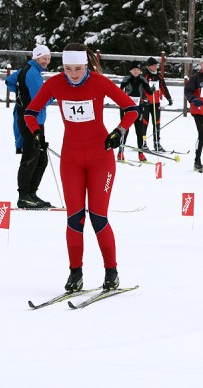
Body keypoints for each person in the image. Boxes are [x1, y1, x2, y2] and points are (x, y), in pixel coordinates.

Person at [23, 43, 139, 292]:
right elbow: (30, 112)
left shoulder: (99, 82)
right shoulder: (54, 84)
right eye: (67, 69)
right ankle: (75, 273)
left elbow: (131, 109)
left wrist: (119, 132)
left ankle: (112, 272)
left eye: (77, 68)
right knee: (74, 219)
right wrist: (36, 134)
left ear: (86, 65)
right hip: (71, 160)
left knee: (98, 217)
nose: (73, 74)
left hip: (101, 159)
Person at [6, 44, 53, 208]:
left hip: (28, 118)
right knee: (32, 158)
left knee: (41, 159)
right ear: (36, 58)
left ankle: (31, 194)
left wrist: (21, 94)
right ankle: (24, 195)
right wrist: (52, 96)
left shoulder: (26, 70)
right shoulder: (33, 74)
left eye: (48, 58)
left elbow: (9, 81)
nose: (46, 61)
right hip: (32, 121)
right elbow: (41, 99)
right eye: (43, 58)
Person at [118, 61, 154, 162]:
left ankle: (140, 153)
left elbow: (149, 91)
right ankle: (121, 152)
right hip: (127, 108)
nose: (136, 71)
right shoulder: (127, 78)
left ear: (140, 71)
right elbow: (119, 90)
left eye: (138, 70)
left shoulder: (142, 79)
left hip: (138, 108)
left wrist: (152, 89)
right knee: (125, 130)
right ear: (131, 70)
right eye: (134, 70)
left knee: (139, 130)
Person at [185, 54, 203, 172]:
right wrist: (193, 99)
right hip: (198, 110)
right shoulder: (195, 78)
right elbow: (188, 91)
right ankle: (197, 161)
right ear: (200, 65)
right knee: (202, 133)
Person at [142, 56, 173, 152]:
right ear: (149, 66)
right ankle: (143, 142)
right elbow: (141, 88)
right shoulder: (145, 76)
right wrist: (144, 98)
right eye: (154, 65)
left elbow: (163, 88)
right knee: (144, 123)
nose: (156, 67)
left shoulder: (159, 76)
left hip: (156, 103)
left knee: (157, 123)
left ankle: (157, 143)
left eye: (156, 65)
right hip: (146, 103)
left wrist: (169, 98)